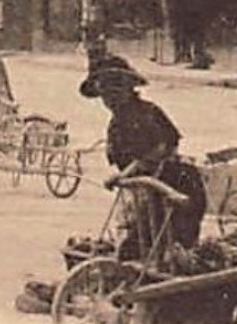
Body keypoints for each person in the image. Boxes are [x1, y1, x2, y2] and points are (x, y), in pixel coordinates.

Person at [80, 56, 206, 251]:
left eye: (116, 90)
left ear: (129, 89)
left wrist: (126, 174)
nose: (110, 99)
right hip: (143, 189)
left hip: (175, 184)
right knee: (134, 242)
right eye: (104, 93)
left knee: (168, 243)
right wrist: (124, 178)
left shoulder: (146, 112)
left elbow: (161, 148)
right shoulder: (115, 124)